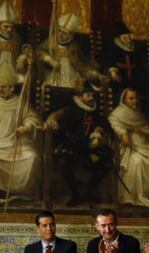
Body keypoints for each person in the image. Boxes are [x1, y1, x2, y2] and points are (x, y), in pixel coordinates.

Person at [44, 79, 113, 206]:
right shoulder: (71, 111)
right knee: (63, 163)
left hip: (91, 148)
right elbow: (61, 126)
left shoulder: (95, 111)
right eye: (88, 95)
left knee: (107, 163)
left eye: (92, 95)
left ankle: (89, 190)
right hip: (72, 146)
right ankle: (75, 194)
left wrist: (98, 134)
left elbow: (104, 124)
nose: (91, 98)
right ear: (80, 97)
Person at [0, 62, 41, 199]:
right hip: (1, 142)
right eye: (1, 87)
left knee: (32, 157)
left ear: (12, 88)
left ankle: (21, 192)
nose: (3, 90)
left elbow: (32, 118)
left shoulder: (20, 102)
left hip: (18, 141)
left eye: (6, 87)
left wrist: (26, 126)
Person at [37, 12, 103, 88]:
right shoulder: (50, 41)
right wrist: (49, 60)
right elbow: (39, 51)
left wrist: (93, 73)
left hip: (71, 74)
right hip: (53, 73)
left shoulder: (74, 46)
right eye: (59, 30)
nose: (60, 34)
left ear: (71, 35)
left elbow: (81, 62)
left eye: (64, 33)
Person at [105, 21, 149, 101]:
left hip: (135, 78)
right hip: (121, 79)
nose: (128, 40)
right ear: (119, 39)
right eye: (125, 38)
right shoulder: (114, 49)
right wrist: (113, 71)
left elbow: (141, 65)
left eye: (129, 37)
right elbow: (109, 62)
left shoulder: (135, 49)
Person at [0, 0, 27, 82]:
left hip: (12, 70)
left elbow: (22, 52)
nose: (9, 29)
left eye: (11, 27)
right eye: (6, 26)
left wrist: (22, 57)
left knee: (23, 80)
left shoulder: (16, 38)